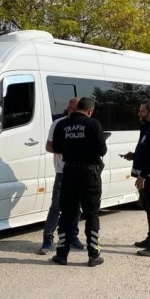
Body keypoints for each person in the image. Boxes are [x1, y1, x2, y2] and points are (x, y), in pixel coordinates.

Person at [51, 97, 107, 267]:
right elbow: (102, 150)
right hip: (89, 175)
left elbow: (55, 148)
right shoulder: (93, 124)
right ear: (89, 111)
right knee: (91, 215)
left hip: (69, 173)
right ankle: (93, 255)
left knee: (67, 214)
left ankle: (61, 255)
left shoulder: (62, 124)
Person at [120, 100, 150, 257]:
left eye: (142, 111)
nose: (139, 113)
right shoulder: (148, 127)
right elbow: (148, 152)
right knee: (149, 210)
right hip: (146, 176)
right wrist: (133, 156)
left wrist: (144, 174)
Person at [39, 97, 84, 255]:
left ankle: (72, 236)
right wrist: (68, 150)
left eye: (77, 108)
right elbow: (49, 146)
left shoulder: (85, 124)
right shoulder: (58, 124)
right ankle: (47, 239)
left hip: (80, 171)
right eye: (72, 108)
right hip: (63, 172)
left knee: (77, 207)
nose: (72, 110)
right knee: (56, 207)